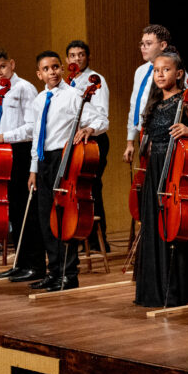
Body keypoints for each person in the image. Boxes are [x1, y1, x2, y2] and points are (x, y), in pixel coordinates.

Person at [26, 51, 108, 292]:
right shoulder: (39, 100)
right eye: (47, 69)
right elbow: (35, 137)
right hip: (43, 161)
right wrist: (33, 169)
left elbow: (102, 121)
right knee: (46, 219)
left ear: (61, 69)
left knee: (63, 217)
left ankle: (68, 274)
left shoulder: (75, 96)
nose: (52, 72)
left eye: (55, 67)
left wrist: (90, 129)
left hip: (64, 158)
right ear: (39, 74)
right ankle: (53, 271)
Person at [134, 51, 188, 307]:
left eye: (166, 70)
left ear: (178, 74)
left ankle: (178, 288)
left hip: (177, 167)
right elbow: (150, 139)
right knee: (155, 226)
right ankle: (154, 289)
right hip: (156, 170)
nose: (160, 74)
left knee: (176, 227)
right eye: (156, 70)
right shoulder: (153, 103)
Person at [0, 47, 45, 282]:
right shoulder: (0, 90)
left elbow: (31, 127)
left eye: (2, 67)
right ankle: (20, 262)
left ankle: (36, 265)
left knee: (27, 212)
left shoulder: (25, 88)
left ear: (12, 64)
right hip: (5, 153)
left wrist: (3, 136)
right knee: (15, 211)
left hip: (21, 151)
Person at [66, 40, 112, 253]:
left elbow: (102, 115)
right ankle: (77, 233)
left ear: (88, 57)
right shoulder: (67, 83)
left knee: (92, 188)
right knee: (74, 187)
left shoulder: (96, 80)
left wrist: (89, 129)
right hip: (73, 140)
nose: (77, 58)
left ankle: (97, 239)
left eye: (81, 54)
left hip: (93, 139)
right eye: (72, 55)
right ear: (67, 59)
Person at [124, 24, 174, 165]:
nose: (143, 47)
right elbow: (135, 105)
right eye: (142, 44)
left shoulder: (173, 70)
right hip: (143, 135)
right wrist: (130, 141)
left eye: (148, 44)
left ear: (163, 45)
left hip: (161, 137)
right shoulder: (140, 71)